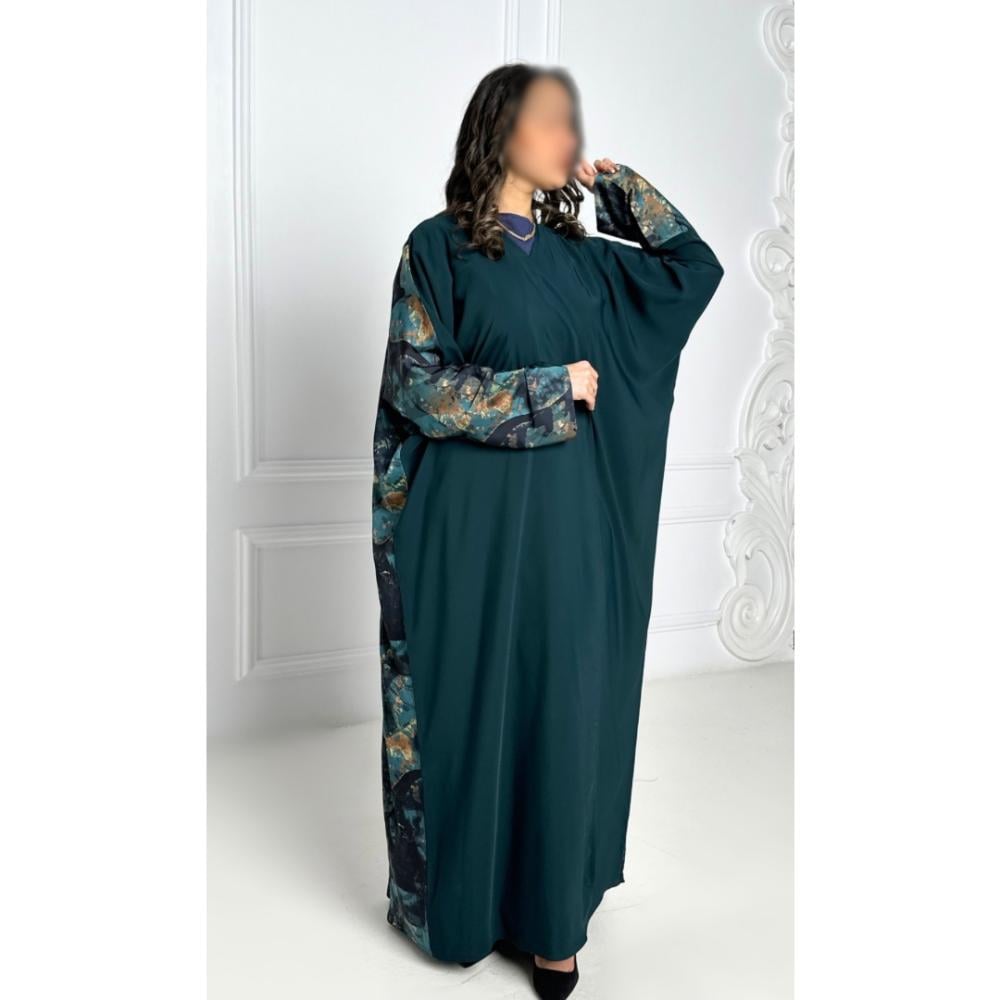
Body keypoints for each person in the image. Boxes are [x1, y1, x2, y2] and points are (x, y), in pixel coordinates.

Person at [371, 61, 724, 999]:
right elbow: (417, 387)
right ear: (501, 129)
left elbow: (694, 272)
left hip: (568, 531)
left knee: (559, 708)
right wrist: (547, 388)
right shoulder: (436, 249)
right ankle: (467, 909)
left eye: (575, 122)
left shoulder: (584, 261)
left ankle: (552, 922)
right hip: (467, 533)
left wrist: (621, 191)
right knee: (470, 708)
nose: (570, 136)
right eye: (551, 119)